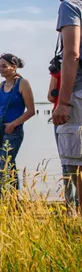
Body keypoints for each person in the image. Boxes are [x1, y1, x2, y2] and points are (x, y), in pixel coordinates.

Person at [41, 0, 82, 211]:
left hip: (77, 93)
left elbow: (72, 54)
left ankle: (75, 219)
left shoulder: (70, 5)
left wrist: (64, 102)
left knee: (74, 162)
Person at [0, 53, 35, 200]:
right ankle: (14, 201)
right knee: (10, 166)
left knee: (4, 166)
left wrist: (13, 123)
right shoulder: (1, 85)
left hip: (14, 131)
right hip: (0, 131)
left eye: (4, 66)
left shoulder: (22, 83)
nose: (0, 69)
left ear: (14, 67)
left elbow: (31, 111)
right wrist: (1, 113)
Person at [48, 71, 79, 210]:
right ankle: (77, 204)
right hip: (77, 114)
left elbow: (50, 96)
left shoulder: (58, 71)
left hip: (61, 116)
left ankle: (69, 203)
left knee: (66, 163)